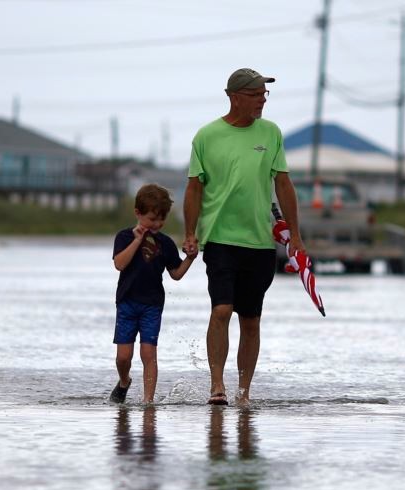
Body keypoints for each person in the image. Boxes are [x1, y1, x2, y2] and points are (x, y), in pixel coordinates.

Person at [183, 68, 305, 407]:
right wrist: (190, 233)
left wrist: (295, 235)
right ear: (234, 96)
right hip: (220, 238)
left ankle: (244, 392)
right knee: (221, 309)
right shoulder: (207, 136)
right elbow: (194, 188)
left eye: (265, 94)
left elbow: (283, 184)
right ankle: (217, 386)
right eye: (256, 94)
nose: (263, 100)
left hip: (260, 242)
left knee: (251, 319)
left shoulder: (271, 133)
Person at [110, 184, 198, 405]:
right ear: (137, 213)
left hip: (152, 305)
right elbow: (120, 264)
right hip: (127, 303)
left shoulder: (166, 244)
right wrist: (137, 240)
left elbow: (176, 274)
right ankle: (124, 381)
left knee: (149, 354)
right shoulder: (123, 237)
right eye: (151, 219)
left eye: (162, 219)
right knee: (123, 357)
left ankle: (148, 402)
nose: (157, 224)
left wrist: (190, 259)